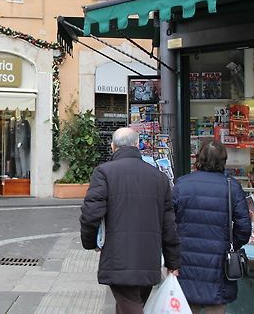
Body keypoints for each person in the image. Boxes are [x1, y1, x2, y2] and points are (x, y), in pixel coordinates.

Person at [80, 127, 180, 314]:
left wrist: (90, 242)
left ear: (112, 147)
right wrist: (172, 261)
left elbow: (91, 214)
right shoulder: (159, 177)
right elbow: (169, 225)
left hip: (118, 257)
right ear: (137, 145)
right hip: (149, 257)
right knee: (131, 303)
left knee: (129, 305)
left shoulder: (104, 173)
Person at [172, 140, 251, 314]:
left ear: (199, 158)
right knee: (216, 305)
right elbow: (244, 228)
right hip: (219, 260)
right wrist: (231, 244)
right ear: (223, 160)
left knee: (187, 304)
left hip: (186, 257)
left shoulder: (182, 184)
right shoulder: (232, 187)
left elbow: (168, 222)